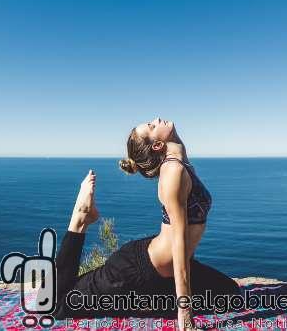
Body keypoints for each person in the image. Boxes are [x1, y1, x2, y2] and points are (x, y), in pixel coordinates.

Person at [53, 117, 241, 329]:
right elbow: (179, 247)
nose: (156, 119)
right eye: (152, 126)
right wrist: (185, 317)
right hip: (134, 269)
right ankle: (80, 219)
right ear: (158, 145)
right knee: (57, 304)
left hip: (163, 268)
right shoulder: (173, 172)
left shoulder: (180, 162)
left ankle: (141, 298)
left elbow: (177, 149)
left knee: (231, 295)